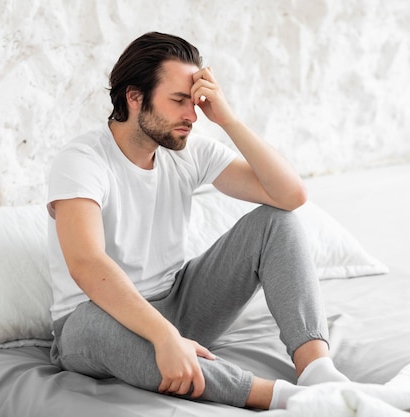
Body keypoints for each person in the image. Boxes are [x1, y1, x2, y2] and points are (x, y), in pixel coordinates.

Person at [46, 31, 348, 410]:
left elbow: (290, 196)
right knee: (88, 324)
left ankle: (318, 373)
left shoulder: (187, 150)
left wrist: (228, 119)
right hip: (99, 320)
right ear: (135, 97)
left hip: (179, 304)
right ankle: (291, 399)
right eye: (178, 101)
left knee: (276, 222)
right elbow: (86, 263)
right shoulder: (82, 160)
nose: (191, 115)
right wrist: (164, 337)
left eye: (196, 102)